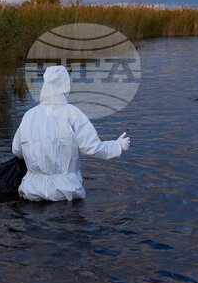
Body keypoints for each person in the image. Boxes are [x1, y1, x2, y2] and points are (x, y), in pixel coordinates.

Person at [13, 65, 130, 201]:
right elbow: (92, 148)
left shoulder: (29, 115)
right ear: (65, 86)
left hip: (31, 192)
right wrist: (117, 146)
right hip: (66, 193)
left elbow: (16, 150)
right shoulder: (72, 114)